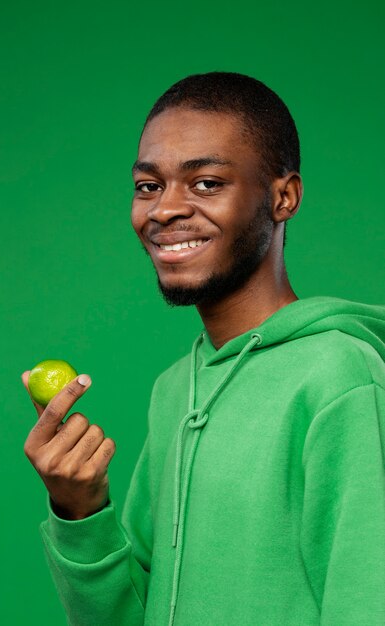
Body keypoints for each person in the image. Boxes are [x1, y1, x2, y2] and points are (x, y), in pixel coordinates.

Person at [22, 72, 385, 626]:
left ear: (283, 196)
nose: (164, 210)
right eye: (148, 186)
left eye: (206, 183)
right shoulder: (177, 389)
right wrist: (81, 509)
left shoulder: (341, 378)